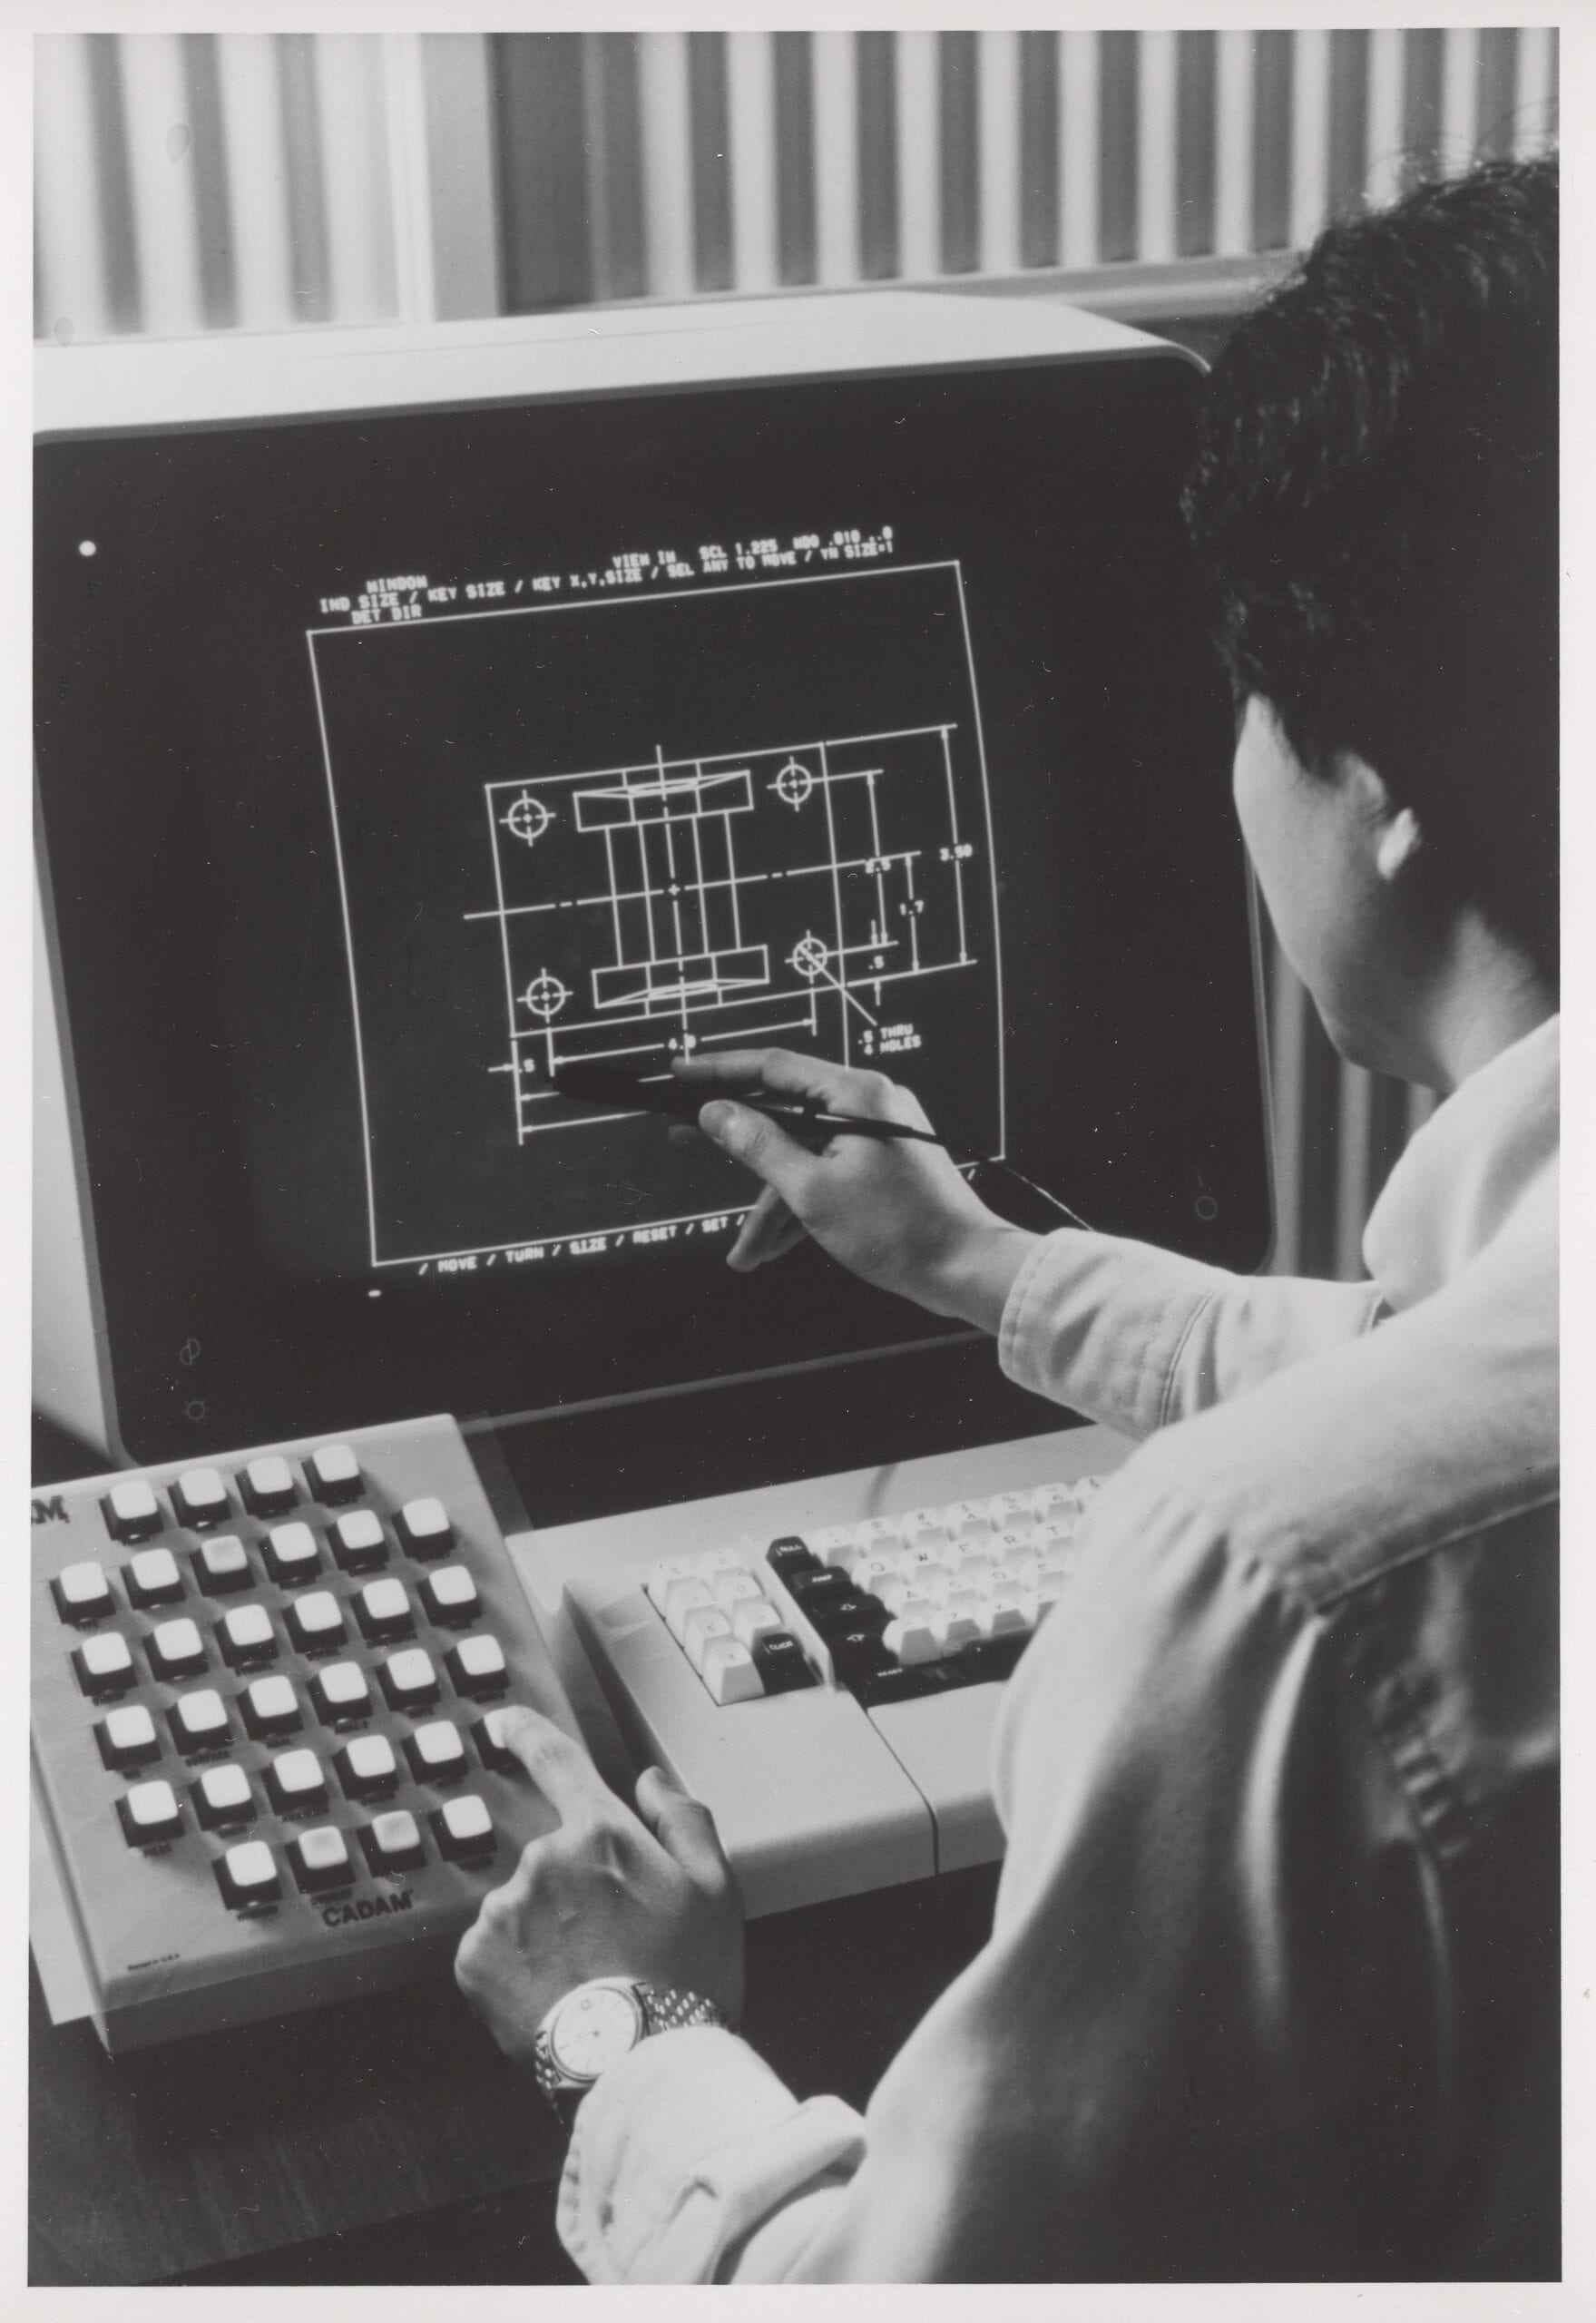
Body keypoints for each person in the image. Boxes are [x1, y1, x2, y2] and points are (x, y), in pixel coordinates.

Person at [455, 155, 1558, 2282]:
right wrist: (977, 1259)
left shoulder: (1265, 1580)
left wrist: (626, 2031)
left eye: (1245, 691)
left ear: (1384, 788)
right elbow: (1450, 1375)